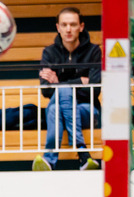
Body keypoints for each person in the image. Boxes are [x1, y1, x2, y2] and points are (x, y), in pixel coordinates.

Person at [32, 7, 102, 172]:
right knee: (56, 107)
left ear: (81, 26)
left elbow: (95, 89)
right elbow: (46, 91)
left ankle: (49, 158)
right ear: (58, 27)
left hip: (87, 110)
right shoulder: (49, 53)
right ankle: (83, 154)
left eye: (73, 24)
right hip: (59, 111)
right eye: (64, 25)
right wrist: (79, 82)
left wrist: (59, 83)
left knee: (58, 100)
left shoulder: (93, 51)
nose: (68, 29)